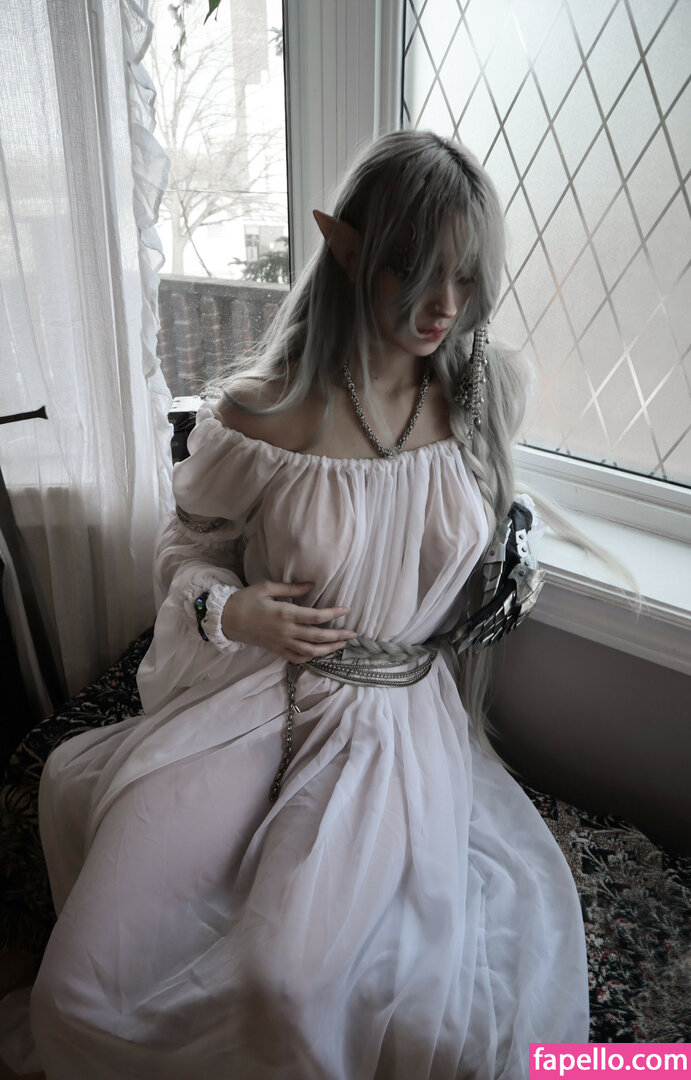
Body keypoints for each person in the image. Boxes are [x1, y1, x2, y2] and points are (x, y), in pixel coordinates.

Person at [29, 130, 589, 1079]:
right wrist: (230, 611)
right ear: (345, 248)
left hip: (393, 722)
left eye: (463, 275)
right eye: (411, 269)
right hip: (259, 698)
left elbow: (486, 522)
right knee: (83, 982)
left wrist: (507, 571)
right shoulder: (263, 413)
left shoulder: (486, 391)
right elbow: (186, 546)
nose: (442, 306)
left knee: (291, 985)